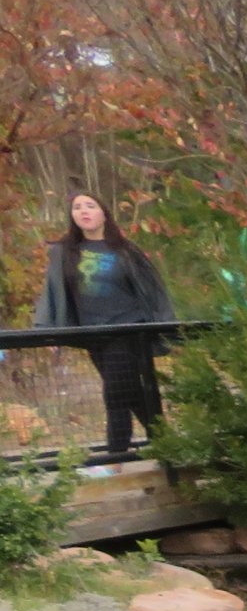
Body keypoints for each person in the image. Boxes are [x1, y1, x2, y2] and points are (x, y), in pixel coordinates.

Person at [34, 194, 175, 460]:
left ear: (104, 213)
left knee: (115, 395)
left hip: (127, 330)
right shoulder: (64, 251)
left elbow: (152, 289)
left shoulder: (124, 250)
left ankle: (116, 458)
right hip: (93, 334)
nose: (83, 211)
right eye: (77, 207)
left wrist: (164, 325)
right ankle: (169, 445)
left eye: (90, 206)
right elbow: (52, 293)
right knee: (131, 393)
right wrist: (48, 327)